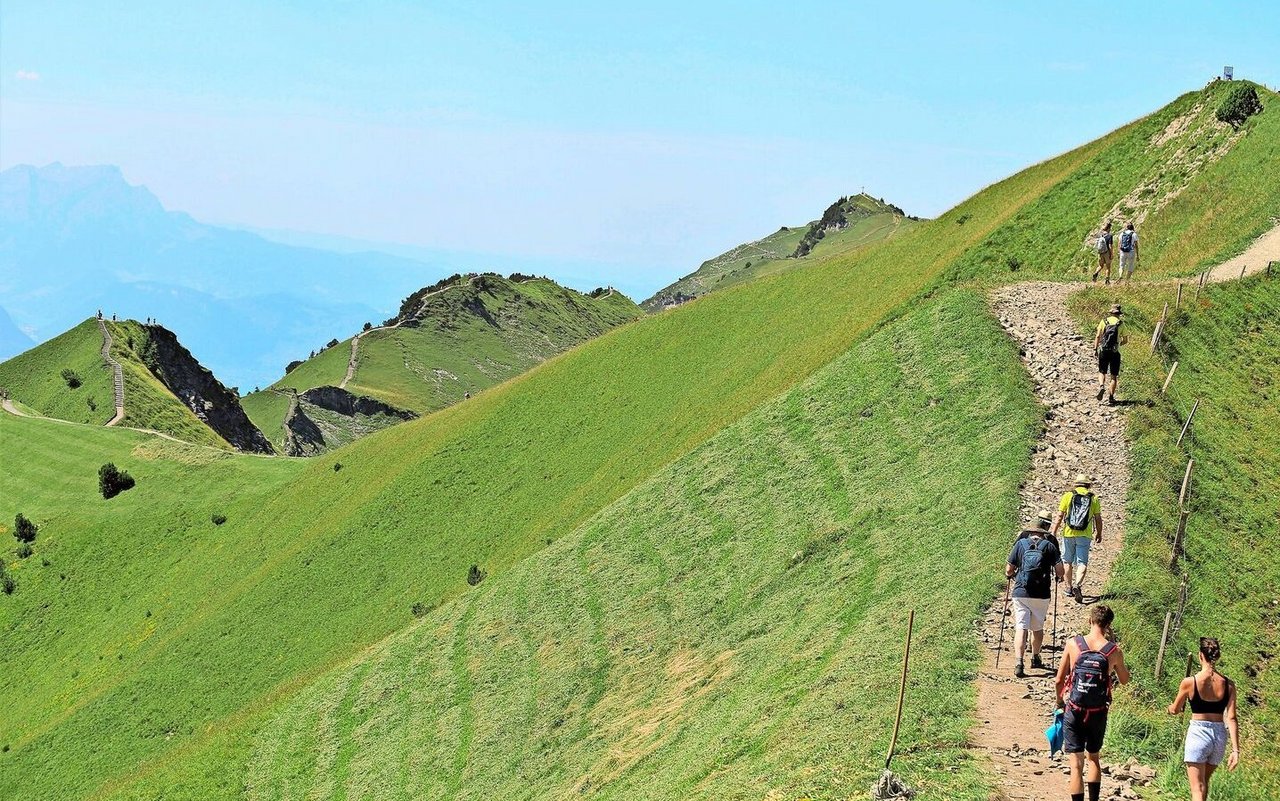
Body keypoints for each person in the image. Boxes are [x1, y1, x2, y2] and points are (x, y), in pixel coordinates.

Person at [1055, 605, 1131, 801]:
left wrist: (1059, 702)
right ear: (1108, 625)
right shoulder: (1114, 651)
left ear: (1090, 621)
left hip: (1075, 709)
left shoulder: (1073, 644)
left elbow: (1058, 680)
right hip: (1098, 711)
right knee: (1094, 758)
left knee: (1076, 765)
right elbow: (1124, 680)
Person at [1168, 637, 1241, 800]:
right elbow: (1232, 718)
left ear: (1200, 655)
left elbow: (1176, 709)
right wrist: (1236, 750)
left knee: (1197, 789)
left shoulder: (1190, 682)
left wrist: (1170, 709)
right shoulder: (1229, 685)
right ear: (1218, 656)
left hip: (1199, 732)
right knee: (1204, 784)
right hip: (1220, 736)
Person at [1006, 510, 1064, 677]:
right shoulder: (1050, 546)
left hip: (1021, 591)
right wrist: (1058, 577)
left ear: (1031, 530)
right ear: (1044, 530)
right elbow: (1060, 570)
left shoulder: (1021, 544)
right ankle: (1035, 657)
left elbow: (1009, 569)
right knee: (1037, 628)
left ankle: (1018, 661)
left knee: (1021, 626)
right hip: (1041, 593)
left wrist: (1010, 575)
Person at [1051, 474, 1102, 603]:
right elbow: (1098, 519)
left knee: (1067, 560)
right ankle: (1078, 585)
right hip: (1085, 535)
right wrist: (1099, 533)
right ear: (1088, 485)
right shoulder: (1093, 498)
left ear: (1076, 484)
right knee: (1082, 562)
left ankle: (1068, 588)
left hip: (1068, 533)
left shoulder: (1068, 496)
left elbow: (1059, 516)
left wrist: (1054, 531)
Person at [1093, 304, 1126, 405]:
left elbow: (1098, 336)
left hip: (1103, 350)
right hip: (1115, 352)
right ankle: (1111, 397)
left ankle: (1101, 385)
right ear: (1119, 314)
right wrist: (1118, 344)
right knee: (1114, 376)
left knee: (1102, 371)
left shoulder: (1104, 321)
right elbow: (1125, 340)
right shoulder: (1121, 324)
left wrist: (1095, 348)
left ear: (1111, 312)